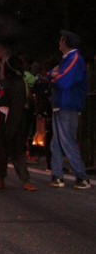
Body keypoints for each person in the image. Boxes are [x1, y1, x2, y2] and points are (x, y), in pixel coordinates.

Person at [48, 31, 90, 189]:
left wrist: (52, 76)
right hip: (61, 104)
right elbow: (53, 74)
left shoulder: (75, 59)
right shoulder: (67, 59)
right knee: (56, 143)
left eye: (61, 39)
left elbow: (62, 80)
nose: (59, 42)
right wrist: (52, 75)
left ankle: (82, 177)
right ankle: (57, 176)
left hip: (67, 105)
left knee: (67, 141)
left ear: (64, 42)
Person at [0, 56, 36, 191]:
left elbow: (16, 107)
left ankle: (25, 180)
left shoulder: (18, 83)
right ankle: (0, 179)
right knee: (0, 151)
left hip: (14, 120)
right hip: (0, 120)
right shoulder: (5, 81)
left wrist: (10, 129)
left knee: (18, 150)